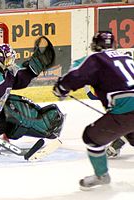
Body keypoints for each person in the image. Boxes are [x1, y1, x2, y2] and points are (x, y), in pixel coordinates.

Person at [53, 31, 134, 189]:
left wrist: (61, 88)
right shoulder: (128, 57)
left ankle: (101, 175)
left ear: (95, 46)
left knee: (91, 138)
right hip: (125, 110)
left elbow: (77, 76)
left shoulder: (97, 58)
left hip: (125, 108)